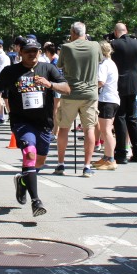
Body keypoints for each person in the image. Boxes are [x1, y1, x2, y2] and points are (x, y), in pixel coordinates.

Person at [0, 38, 70, 217]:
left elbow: (67, 88)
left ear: (39, 52)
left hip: (44, 123)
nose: (32, 54)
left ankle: (23, 181)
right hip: (21, 122)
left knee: (39, 162)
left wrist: (50, 84)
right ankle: (36, 201)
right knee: (30, 153)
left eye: (35, 51)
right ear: (20, 52)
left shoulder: (48, 69)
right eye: (28, 51)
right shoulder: (10, 71)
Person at [52, 22, 101, 176]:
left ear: (73, 32)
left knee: (64, 128)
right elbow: (99, 60)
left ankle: (61, 164)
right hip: (90, 94)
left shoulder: (66, 47)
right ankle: (87, 166)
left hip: (70, 93)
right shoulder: (95, 46)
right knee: (89, 129)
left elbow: (60, 66)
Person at [110, 23, 137, 164]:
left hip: (120, 83)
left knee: (120, 118)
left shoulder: (114, 44)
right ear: (126, 30)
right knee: (132, 118)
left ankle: (121, 153)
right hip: (134, 82)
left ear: (115, 32)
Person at [92, 40, 120, 170]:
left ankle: (110, 159)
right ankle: (106, 157)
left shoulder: (103, 64)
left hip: (106, 99)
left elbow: (101, 82)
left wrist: (89, 87)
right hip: (112, 99)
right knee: (106, 130)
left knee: (106, 130)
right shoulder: (111, 63)